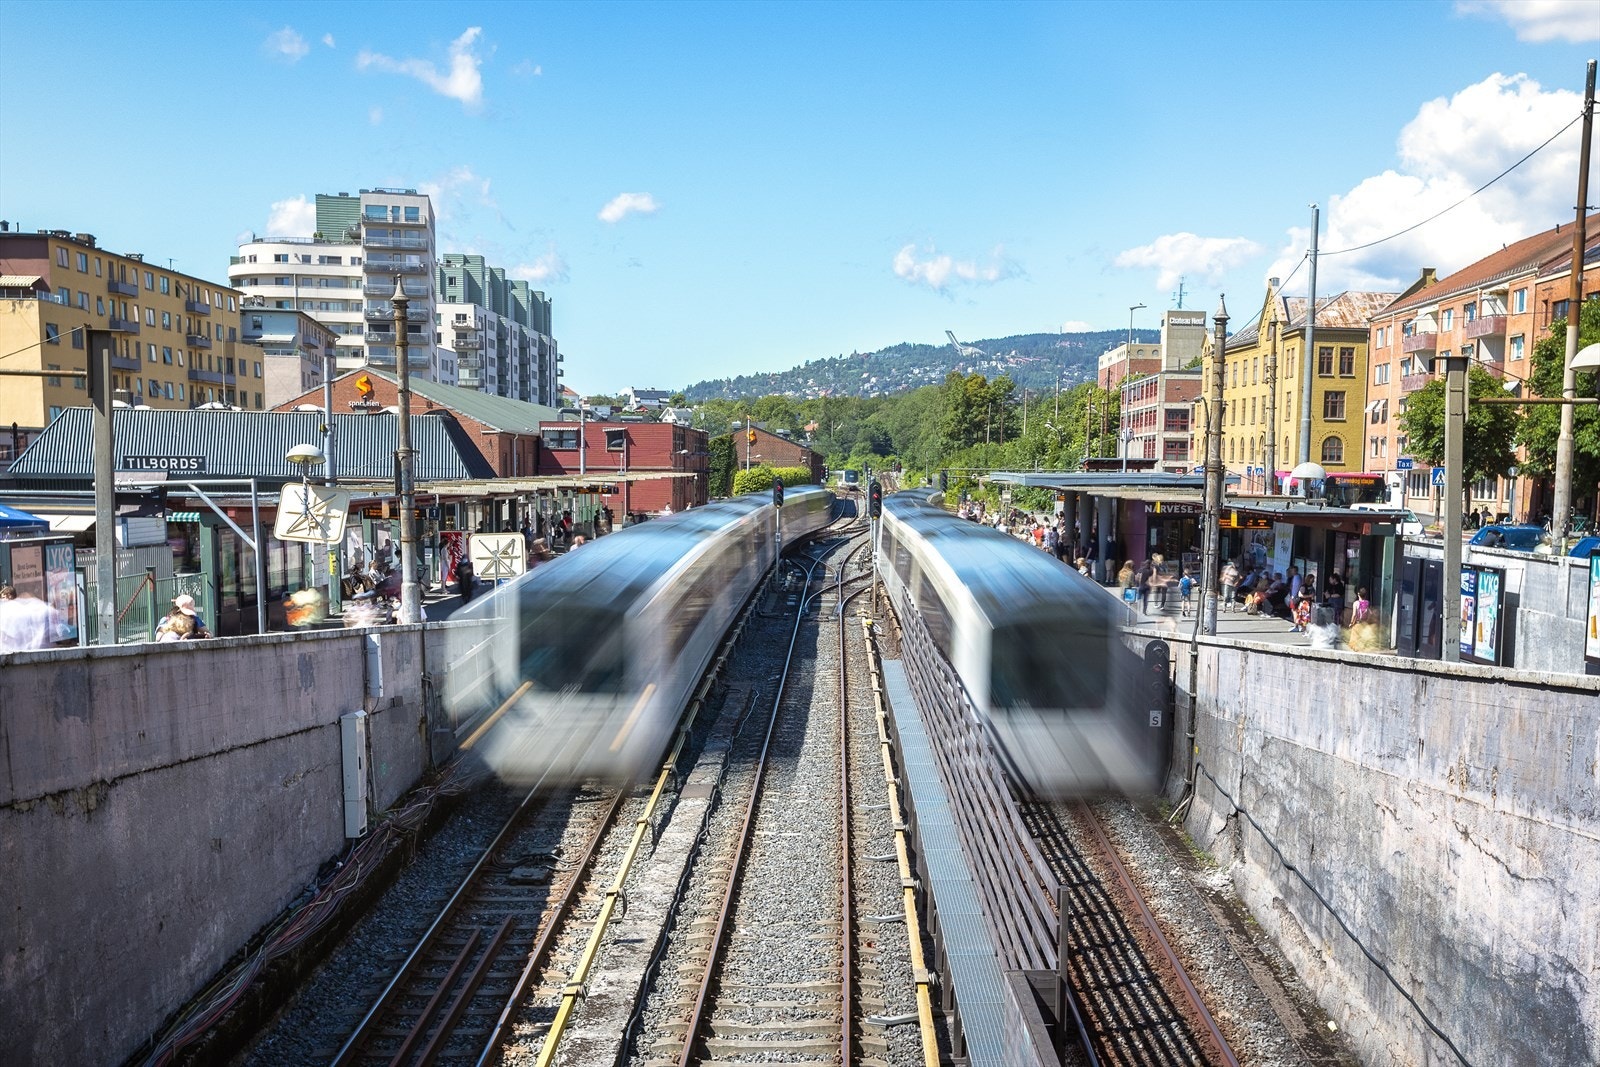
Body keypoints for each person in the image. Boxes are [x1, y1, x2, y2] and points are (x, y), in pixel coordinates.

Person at [0, 584, 65, 652]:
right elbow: (60, 637)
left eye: (2, 597)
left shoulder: (6, 612)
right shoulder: (45, 610)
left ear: (9, 596)